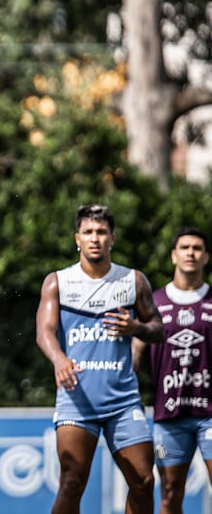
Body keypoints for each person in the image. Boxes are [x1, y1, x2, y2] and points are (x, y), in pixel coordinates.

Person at [35, 204, 165, 514]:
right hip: (77, 400)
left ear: (112, 238)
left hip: (122, 401)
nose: (95, 238)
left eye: (102, 232)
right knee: (72, 482)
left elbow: (158, 329)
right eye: (89, 232)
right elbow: (44, 332)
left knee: (144, 480)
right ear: (76, 238)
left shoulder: (132, 281)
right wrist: (59, 360)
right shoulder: (58, 282)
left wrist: (135, 327)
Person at [132, 226, 212, 514]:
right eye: (185, 247)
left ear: (205, 257)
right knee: (169, 493)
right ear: (173, 255)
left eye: (197, 248)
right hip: (170, 416)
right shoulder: (155, 303)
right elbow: (135, 353)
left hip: (210, 415)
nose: (191, 253)